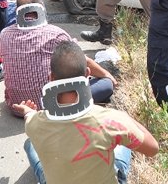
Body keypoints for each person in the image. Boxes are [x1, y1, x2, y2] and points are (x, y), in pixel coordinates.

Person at [12, 40, 159, 184]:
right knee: (120, 146)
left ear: (50, 78)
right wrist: (126, 118)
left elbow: (29, 117)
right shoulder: (112, 120)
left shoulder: (35, 123)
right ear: (87, 74)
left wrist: (28, 111)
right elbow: (153, 149)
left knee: (30, 144)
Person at [0, 0, 117, 116]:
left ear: (17, 10)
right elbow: (82, 60)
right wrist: (107, 75)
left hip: (17, 107)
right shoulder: (55, 34)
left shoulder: (4, 34)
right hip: (51, 107)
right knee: (106, 84)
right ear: (42, 8)